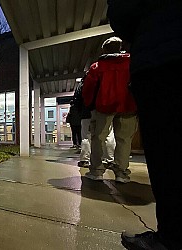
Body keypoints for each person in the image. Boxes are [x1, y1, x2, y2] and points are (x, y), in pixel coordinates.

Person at [107, 1, 182, 249]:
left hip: (159, 63)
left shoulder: (100, 66)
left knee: (165, 152)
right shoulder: (123, 62)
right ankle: (121, 170)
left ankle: (172, 237)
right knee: (124, 139)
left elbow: (122, 12)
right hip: (129, 102)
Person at [82, 36, 137, 183]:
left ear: (104, 49)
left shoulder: (97, 67)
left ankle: (97, 171)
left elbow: (88, 89)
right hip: (128, 106)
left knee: (98, 137)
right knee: (124, 139)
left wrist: (89, 105)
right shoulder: (132, 63)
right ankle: (121, 173)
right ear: (121, 47)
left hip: (104, 106)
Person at [72, 74, 116, 168]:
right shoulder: (106, 79)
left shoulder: (83, 83)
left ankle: (85, 160)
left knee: (86, 137)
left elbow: (76, 100)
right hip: (105, 111)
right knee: (108, 135)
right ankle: (110, 160)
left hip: (87, 113)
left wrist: (80, 112)